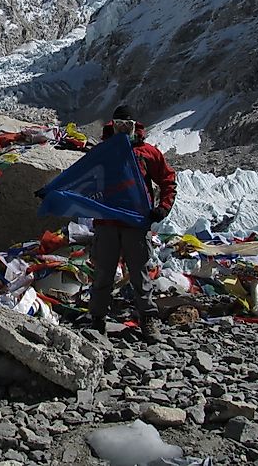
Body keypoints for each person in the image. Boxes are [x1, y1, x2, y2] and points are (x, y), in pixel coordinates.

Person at [90, 104, 176, 343]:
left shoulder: (148, 153)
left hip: (136, 224)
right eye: (119, 125)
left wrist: (163, 207)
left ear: (135, 126)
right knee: (103, 273)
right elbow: (82, 179)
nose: (123, 130)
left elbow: (168, 180)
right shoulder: (103, 152)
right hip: (107, 223)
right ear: (112, 125)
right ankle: (97, 319)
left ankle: (148, 319)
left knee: (140, 273)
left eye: (127, 126)